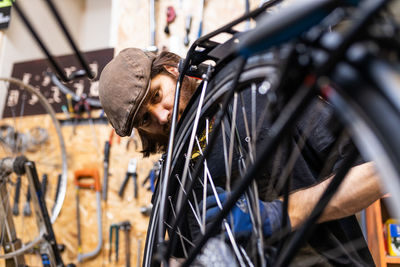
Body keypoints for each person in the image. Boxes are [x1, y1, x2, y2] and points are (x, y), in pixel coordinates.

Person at [99, 48, 382, 266]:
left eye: (158, 95)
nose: (162, 115)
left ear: (172, 69)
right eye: (146, 118)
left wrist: (281, 215)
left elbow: (378, 171)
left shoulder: (261, 96)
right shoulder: (175, 182)